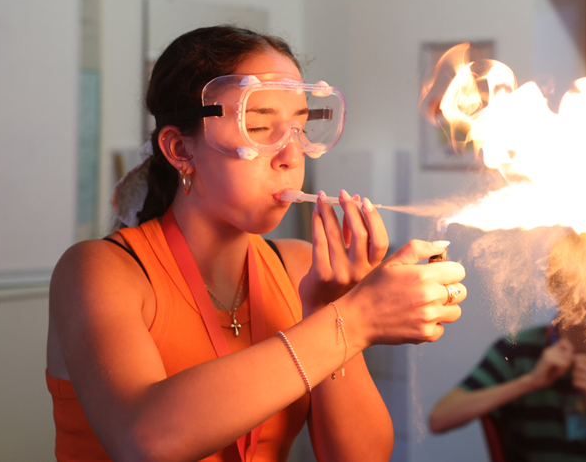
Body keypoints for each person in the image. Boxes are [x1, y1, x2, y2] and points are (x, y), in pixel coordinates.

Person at [45, 25, 468, 462]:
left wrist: (330, 313)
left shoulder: (302, 268)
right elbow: (145, 441)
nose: (291, 154)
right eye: (261, 127)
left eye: (302, 128)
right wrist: (355, 320)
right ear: (179, 150)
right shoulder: (100, 270)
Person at [429, 232, 586, 462]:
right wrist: (530, 381)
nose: (584, 294)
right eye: (571, 281)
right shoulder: (517, 351)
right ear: (552, 286)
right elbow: (439, 419)